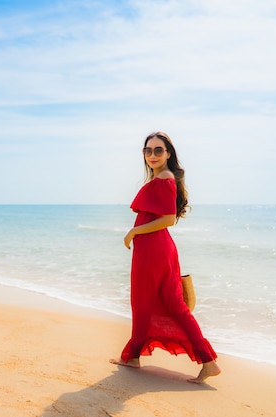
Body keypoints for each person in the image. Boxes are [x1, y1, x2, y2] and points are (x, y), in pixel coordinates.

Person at [110, 131, 221, 384]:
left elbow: (168, 219)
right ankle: (135, 356)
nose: (152, 155)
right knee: (152, 302)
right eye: (147, 150)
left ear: (168, 153)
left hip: (154, 250)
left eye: (158, 150)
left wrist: (134, 231)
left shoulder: (164, 178)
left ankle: (208, 361)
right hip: (154, 249)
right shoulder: (163, 177)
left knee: (159, 304)